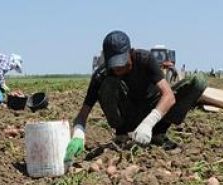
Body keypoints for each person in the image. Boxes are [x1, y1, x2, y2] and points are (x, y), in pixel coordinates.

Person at [64, 31, 207, 163]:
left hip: (152, 112)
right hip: (127, 116)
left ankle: (159, 134)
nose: (118, 69)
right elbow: (83, 113)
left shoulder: (145, 60)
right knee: (108, 83)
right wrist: (78, 133)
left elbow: (168, 95)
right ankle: (122, 136)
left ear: (130, 53)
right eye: (114, 65)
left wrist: (149, 122)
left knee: (198, 82)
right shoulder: (102, 74)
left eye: (122, 63)